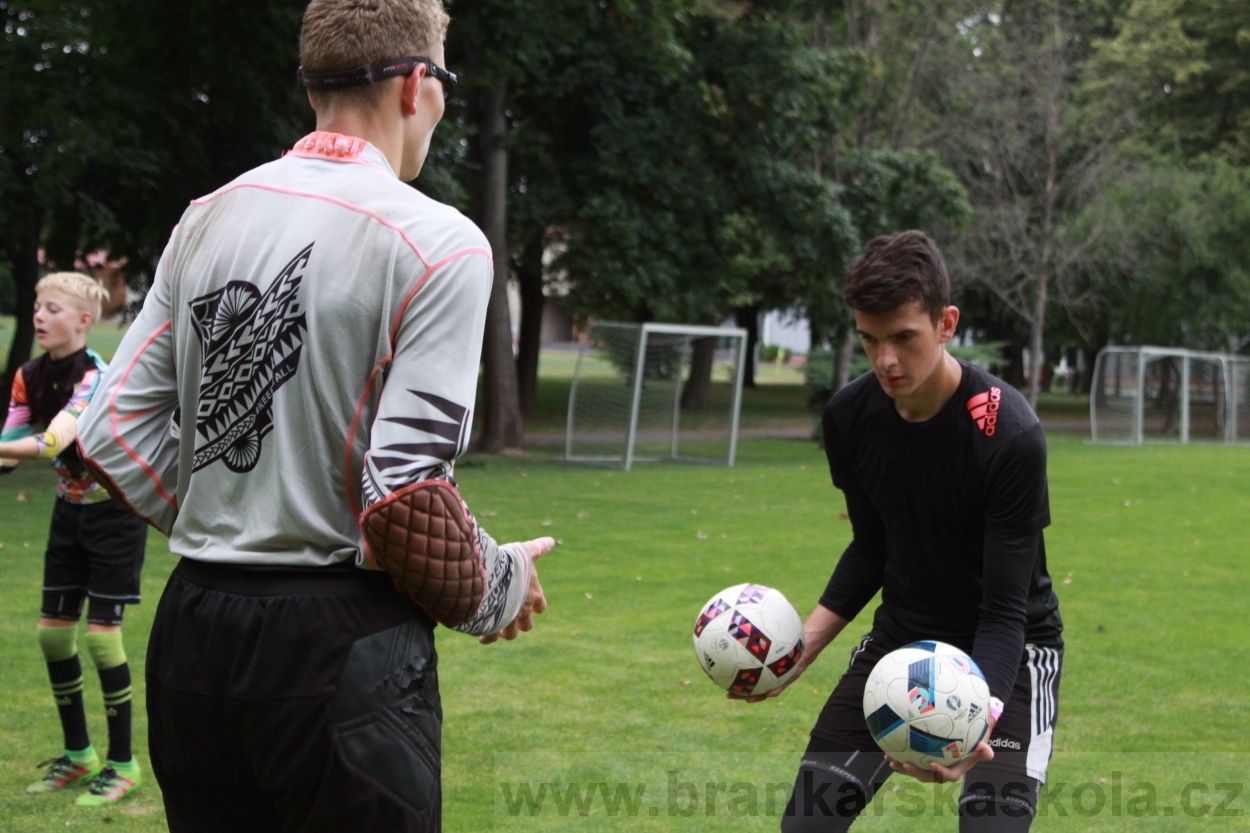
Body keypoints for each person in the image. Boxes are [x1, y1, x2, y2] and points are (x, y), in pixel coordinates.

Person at [77, 1, 551, 830]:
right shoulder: (439, 241)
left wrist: (230, 522)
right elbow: (402, 492)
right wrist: (496, 585)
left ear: (310, 88)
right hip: (341, 645)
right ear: (417, 87)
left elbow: (112, 431)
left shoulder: (207, 216)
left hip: (192, 630)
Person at [743, 231, 1063, 832]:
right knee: (806, 824)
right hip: (904, 639)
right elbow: (872, 547)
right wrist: (796, 653)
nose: (885, 359)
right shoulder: (850, 417)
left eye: (903, 338)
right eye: (869, 339)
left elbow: (1003, 609)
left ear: (946, 323)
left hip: (1011, 649)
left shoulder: (1008, 432)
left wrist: (975, 718)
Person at [0, 271, 149, 806]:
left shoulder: (96, 376)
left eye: (53, 308)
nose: (39, 316)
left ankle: (122, 763)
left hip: (114, 516)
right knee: (53, 637)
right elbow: (12, 443)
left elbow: (54, 439)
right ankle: (79, 754)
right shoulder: (27, 374)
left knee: (102, 638)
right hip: (68, 514)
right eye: (38, 305)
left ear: (85, 320)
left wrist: (14, 449)